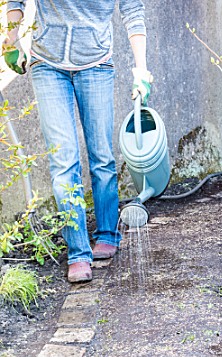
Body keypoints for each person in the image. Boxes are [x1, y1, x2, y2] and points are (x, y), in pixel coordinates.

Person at [3, 0, 152, 283]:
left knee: (101, 156)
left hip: (96, 62)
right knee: (63, 160)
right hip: (47, 63)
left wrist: (141, 70)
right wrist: (11, 40)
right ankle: (78, 252)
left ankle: (108, 232)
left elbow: (132, 9)